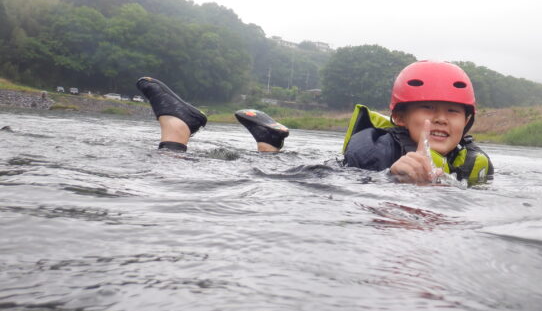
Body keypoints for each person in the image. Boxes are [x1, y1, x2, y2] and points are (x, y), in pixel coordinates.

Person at [136, 61, 493, 186]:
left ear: (468, 121)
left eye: (454, 111)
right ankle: (178, 129)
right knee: (173, 171)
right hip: (322, 177)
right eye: (427, 108)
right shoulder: (381, 150)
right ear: (399, 118)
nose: (441, 118)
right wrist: (393, 179)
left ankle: (269, 141)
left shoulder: (472, 165)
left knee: (270, 166)